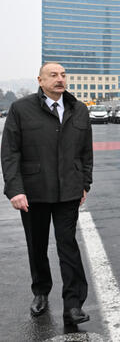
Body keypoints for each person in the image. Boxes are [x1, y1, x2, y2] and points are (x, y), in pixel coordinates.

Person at [1, 62, 93, 325]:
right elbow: (9, 153)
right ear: (39, 80)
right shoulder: (21, 109)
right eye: (53, 75)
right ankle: (41, 291)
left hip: (69, 192)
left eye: (63, 75)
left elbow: (86, 152)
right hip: (33, 192)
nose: (60, 79)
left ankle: (73, 305)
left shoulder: (79, 109)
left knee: (68, 246)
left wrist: (84, 183)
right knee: (37, 245)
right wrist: (15, 190)